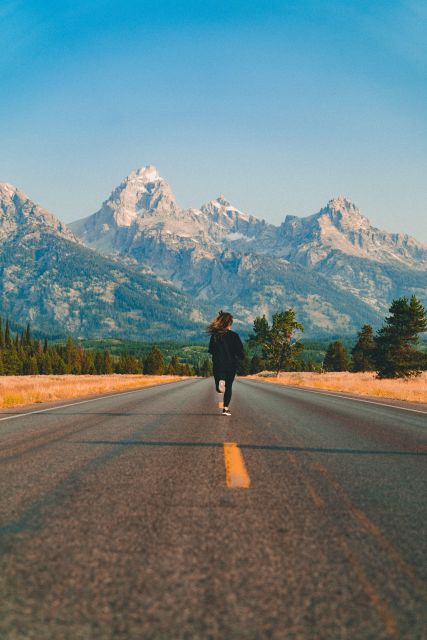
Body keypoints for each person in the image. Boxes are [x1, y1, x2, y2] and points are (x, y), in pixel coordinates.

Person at [207, 310, 244, 416]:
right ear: (230, 323)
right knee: (229, 387)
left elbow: (211, 350)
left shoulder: (215, 335)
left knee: (219, 384)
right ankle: (225, 409)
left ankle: (220, 381)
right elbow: (240, 352)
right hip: (231, 365)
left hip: (218, 364)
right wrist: (240, 357)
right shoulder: (234, 336)